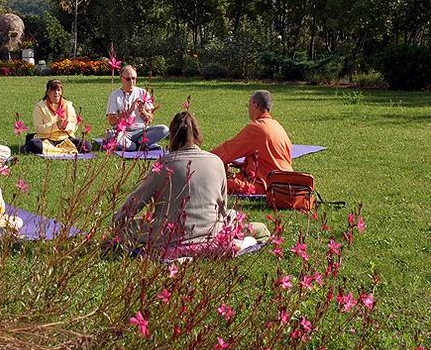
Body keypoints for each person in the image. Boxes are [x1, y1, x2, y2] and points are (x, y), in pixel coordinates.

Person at [110, 111, 269, 251]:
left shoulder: (164, 164)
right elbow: (222, 208)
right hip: (212, 232)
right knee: (255, 226)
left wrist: (116, 223)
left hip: (171, 236)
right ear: (198, 135)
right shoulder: (217, 162)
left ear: (172, 136)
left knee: (130, 228)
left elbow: (134, 204)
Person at [210, 90, 293, 195]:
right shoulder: (277, 126)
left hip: (266, 186)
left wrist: (203, 158)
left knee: (216, 182)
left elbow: (227, 150)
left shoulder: (257, 128)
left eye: (248, 104)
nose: (248, 108)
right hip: (285, 182)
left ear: (255, 105)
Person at [105, 65, 169, 151]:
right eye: (128, 79)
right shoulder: (115, 95)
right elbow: (111, 121)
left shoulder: (143, 92)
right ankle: (137, 146)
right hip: (123, 132)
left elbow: (149, 120)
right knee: (110, 135)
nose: (131, 81)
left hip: (141, 131)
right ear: (121, 78)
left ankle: (136, 145)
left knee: (164, 129)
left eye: (134, 79)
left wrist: (142, 111)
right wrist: (130, 111)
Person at [26, 79, 89, 154]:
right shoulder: (40, 107)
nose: (56, 93)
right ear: (48, 92)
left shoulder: (68, 105)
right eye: (53, 90)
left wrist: (66, 126)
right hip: (47, 139)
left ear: (61, 92)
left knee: (87, 145)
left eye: (58, 90)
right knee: (34, 144)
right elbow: (38, 129)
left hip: (65, 139)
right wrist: (56, 126)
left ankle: (53, 151)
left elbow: (74, 125)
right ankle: (66, 151)